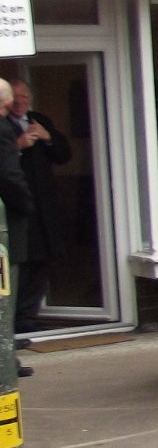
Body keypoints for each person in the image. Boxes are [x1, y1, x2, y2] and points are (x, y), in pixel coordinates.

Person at [3, 79, 73, 338]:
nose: (21, 102)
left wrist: (48, 137)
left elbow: (64, 155)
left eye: (25, 98)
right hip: (18, 206)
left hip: (44, 207)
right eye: (16, 98)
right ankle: (14, 320)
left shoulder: (38, 120)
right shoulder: (3, 127)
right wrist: (19, 146)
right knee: (21, 265)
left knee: (44, 260)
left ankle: (28, 317)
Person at [0, 83, 38, 377]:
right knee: (5, 297)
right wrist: (26, 205)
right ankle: (5, 364)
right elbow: (9, 176)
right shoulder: (3, 131)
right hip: (5, 229)